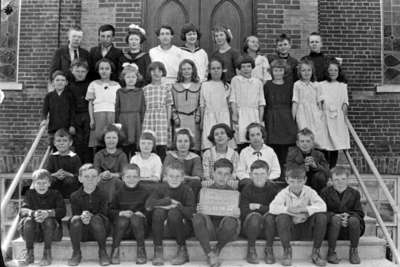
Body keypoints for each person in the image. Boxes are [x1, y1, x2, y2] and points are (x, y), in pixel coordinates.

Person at [269, 165, 327, 267]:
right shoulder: (283, 193)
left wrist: (304, 210)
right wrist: (290, 211)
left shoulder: (310, 191)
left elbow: (323, 206)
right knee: (281, 217)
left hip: (307, 229)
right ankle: (287, 251)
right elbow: (272, 208)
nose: (296, 185)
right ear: (287, 180)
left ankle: (316, 252)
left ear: (305, 180)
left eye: (299, 181)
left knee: (321, 216)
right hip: (291, 231)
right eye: (292, 181)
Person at [145, 162, 196, 265]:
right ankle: (158, 251)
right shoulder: (161, 188)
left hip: (182, 229)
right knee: (158, 212)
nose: (174, 179)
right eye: (171, 176)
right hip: (162, 230)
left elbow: (191, 213)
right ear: (165, 177)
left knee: (174, 212)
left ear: (183, 178)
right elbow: (148, 205)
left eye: (178, 176)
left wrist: (178, 206)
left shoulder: (187, 190)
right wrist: (167, 202)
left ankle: (182, 250)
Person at [192, 159, 240, 267]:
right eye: (219, 173)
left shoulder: (234, 193)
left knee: (232, 221)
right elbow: (201, 216)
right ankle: (210, 254)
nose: (222, 177)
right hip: (209, 230)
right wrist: (200, 209)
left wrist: (237, 214)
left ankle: (217, 249)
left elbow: (236, 217)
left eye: (226, 174)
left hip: (226, 230)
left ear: (231, 176)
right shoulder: (205, 191)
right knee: (197, 217)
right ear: (213, 173)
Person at [19, 169, 66, 266]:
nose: (41, 186)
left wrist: (48, 213)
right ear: (34, 184)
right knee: (28, 220)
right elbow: (22, 211)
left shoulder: (56, 194)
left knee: (48, 220)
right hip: (33, 233)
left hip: (52, 232)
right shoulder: (29, 194)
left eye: (44, 183)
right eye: (38, 183)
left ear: (49, 183)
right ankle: (29, 254)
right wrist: (33, 213)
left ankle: (47, 254)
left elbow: (62, 211)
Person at [68, 164, 110, 266]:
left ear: (98, 179)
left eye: (93, 176)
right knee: (75, 219)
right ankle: (76, 253)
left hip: (100, 230)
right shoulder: (75, 196)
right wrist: (83, 217)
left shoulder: (103, 194)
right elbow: (75, 214)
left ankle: (102, 251)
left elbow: (104, 214)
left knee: (96, 219)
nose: (90, 179)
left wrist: (91, 216)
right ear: (80, 179)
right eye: (86, 177)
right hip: (82, 232)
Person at [321, 166, 364, 264]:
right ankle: (331, 252)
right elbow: (322, 211)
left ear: (348, 179)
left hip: (349, 230)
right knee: (335, 219)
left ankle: (354, 251)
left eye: (343, 179)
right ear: (331, 180)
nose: (340, 182)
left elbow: (359, 212)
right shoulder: (325, 192)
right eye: (336, 179)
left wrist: (348, 216)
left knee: (354, 220)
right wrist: (335, 216)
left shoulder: (355, 193)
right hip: (332, 228)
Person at [109, 163, 150, 264]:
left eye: (135, 176)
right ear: (123, 178)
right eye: (128, 176)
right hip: (122, 231)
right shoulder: (118, 193)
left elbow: (151, 209)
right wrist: (121, 213)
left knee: (135, 218)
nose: (131, 179)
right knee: (123, 219)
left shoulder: (145, 192)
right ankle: (115, 250)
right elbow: (110, 211)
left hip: (140, 229)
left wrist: (143, 213)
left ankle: (141, 250)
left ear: (139, 178)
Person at [240, 160, 279, 264]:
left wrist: (258, 206)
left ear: (268, 175)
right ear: (250, 175)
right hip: (250, 228)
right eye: (255, 174)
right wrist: (262, 210)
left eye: (262, 174)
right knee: (255, 216)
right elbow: (243, 212)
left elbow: (276, 209)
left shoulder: (273, 189)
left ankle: (269, 249)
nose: (259, 177)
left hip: (268, 229)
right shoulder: (246, 189)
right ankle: (251, 249)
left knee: (270, 217)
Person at [263, 59, 297, 173]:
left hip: (286, 117)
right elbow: (264, 102)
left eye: (280, 70)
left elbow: (293, 102)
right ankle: (274, 172)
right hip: (272, 117)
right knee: (273, 145)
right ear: (272, 71)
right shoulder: (267, 85)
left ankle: (284, 172)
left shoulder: (290, 85)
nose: (278, 73)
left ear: (284, 71)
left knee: (286, 147)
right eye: (275, 70)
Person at [319, 60, 350, 168]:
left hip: (337, 118)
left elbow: (345, 103)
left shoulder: (342, 86)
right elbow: (319, 102)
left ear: (339, 72)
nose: (333, 72)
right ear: (326, 71)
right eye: (330, 70)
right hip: (325, 118)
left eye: (335, 70)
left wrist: (343, 116)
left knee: (335, 145)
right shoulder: (320, 85)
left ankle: (331, 169)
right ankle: (324, 170)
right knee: (324, 145)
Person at [230, 56, 265, 152]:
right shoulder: (236, 80)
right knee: (241, 139)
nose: (246, 69)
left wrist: (260, 119)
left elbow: (261, 102)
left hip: (254, 114)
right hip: (241, 113)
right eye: (243, 67)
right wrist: (234, 114)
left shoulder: (257, 82)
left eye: (248, 66)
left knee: (254, 138)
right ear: (239, 69)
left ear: (252, 67)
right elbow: (233, 98)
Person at [86, 58, 121, 150]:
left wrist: (118, 119)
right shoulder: (93, 84)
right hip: (98, 114)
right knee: (99, 140)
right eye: (101, 68)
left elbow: (118, 104)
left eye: (107, 68)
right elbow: (90, 103)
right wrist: (91, 119)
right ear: (98, 70)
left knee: (111, 139)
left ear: (111, 71)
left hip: (112, 114)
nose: (104, 71)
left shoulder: (117, 85)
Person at [142, 61, 173, 160]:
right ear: (149, 73)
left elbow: (169, 105)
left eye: (159, 71)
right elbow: (143, 107)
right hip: (148, 119)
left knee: (161, 146)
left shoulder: (166, 88)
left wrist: (168, 121)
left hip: (161, 119)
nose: (156, 73)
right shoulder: (145, 89)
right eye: (153, 71)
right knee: (149, 143)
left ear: (162, 73)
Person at [200, 58, 232, 150]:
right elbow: (202, 105)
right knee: (209, 143)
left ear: (222, 70)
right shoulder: (204, 85)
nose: (216, 70)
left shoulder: (227, 86)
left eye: (218, 68)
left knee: (223, 141)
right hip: (209, 117)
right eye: (213, 68)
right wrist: (202, 121)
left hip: (223, 116)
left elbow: (229, 106)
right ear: (209, 71)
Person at [237, 123, 281, 189]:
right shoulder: (244, 152)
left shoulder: (270, 151)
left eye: (258, 134)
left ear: (262, 135)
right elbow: (240, 171)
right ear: (248, 137)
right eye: (252, 135)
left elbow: (276, 171)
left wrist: (266, 179)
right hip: (249, 184)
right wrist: (253, 179)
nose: (255, 137)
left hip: (267, 183)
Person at [286, 128, 330, 194]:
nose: (305, 144)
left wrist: (316, 166)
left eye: (308, 141)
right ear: (297, 143)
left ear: (312, 143)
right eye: (302, 141)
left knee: (320, 176)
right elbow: (289, 170)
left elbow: (327, 172)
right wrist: (303, 167)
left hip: (316, 183)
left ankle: (318, 196)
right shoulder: (292, 154)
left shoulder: (319, 154)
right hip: (300, 181)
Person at [115, 63, 145, 158]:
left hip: (136, 119)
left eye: (133, 77)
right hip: (123, 119)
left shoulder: (140, 91)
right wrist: (117, 122)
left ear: (137, 78)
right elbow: (117, 107)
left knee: (135, 143)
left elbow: (143, 107)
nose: (131, 79)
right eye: (128, 77)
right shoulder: (120, 91)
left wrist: (142, 120)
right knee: (124, 143)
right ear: (124, 78)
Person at [292, 59, 324, 148]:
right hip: (302, 113)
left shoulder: (316, 85)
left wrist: (320, 114)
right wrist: (293, 118)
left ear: (312, 71)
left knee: (315, 136)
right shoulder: (297, 85)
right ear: (300, 72)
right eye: (303, 70)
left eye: (309, 70)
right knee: (303, 134)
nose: (306, 73)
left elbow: (319, 102)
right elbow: (295, 101)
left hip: (314, 113)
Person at [164, 128, 203, 200]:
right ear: (175, 143)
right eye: (180, 141)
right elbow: (164, 178)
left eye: (186, 141)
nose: (183, 144)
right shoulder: (170, 156)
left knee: (196, 183)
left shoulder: (195, 157)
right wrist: (179, 179)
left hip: (189, 187)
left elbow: (197, 178)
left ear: (190, 142)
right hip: (172, 184)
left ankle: (189, 205)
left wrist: (181, 178)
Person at [171, 59, 201, 151]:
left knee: (194, 146)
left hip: (194, 120)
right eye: (184, 69)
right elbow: (171, 104)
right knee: (180, 146)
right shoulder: (174, 86)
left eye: (189, 68)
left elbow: (201, 103)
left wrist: (198, 115)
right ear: (180, 71)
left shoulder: (199, 86)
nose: (186, 71)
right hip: (179, 120)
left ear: (193, 70)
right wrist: (175, 117)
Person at [40, 70, 75, 148]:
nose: (60, 82)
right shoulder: (49, 96)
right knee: (53, 149)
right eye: (57, 80)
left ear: (66, 83)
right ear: (53, 82)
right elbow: (44, 110)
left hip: (66, 128)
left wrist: (72, 125)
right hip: (53, 128)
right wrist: (44, 119)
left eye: (63, 80)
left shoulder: (69, 96)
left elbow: (72, 111)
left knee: (65, 149)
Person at [93, 124, 127, 202]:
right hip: (102, 181)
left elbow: (124, 173)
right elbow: (96, 171)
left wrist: (112, 175)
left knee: (113, 181)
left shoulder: (122, 155)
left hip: (117, 182)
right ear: (104, 139)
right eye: (108, 138)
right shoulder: (98, 155)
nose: (111, 140)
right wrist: (102, 174)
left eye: (114, 138)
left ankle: (110, 206)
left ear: (118, 139)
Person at [46, 129, 81, 199]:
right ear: (54, 143)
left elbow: (79, 175)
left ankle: (70, 201)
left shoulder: (75, 157)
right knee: (51, 179)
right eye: (58, 141)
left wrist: (67, 174)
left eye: (65, 141)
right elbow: (47, 173)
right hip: (56, 185)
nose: (61, 143)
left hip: (70, 187)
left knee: (70, 180)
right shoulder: (52, 157)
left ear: (70, 143)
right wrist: (55, 174)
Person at [68, 59, 92, 163]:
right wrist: (71, 124)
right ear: (72, 71)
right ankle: (79, 168)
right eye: (77, 71)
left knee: (88, 142)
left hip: (87, 115)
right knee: (77, 143)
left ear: (87, 72)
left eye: (83, 72)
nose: (80, 74)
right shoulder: (69, 87)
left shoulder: (90, 85)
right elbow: (69, 107)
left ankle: (88, 166)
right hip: (75, 117)